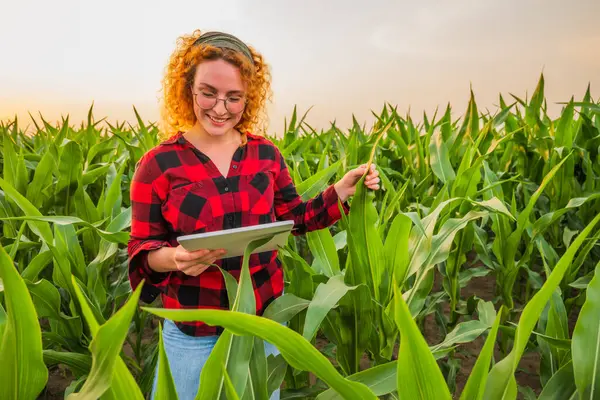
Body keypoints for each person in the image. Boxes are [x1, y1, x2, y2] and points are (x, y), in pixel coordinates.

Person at [127, 29, 380, 400]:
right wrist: (175, 259)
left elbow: (296, 216)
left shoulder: (266, 156)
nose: (220, 108)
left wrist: (340, 191)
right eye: (208, 93)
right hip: (194, 334)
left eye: (234, 97)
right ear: (188, 90)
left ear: (249, 98)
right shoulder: (158, 165)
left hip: (261, 328)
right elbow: (141, 248)